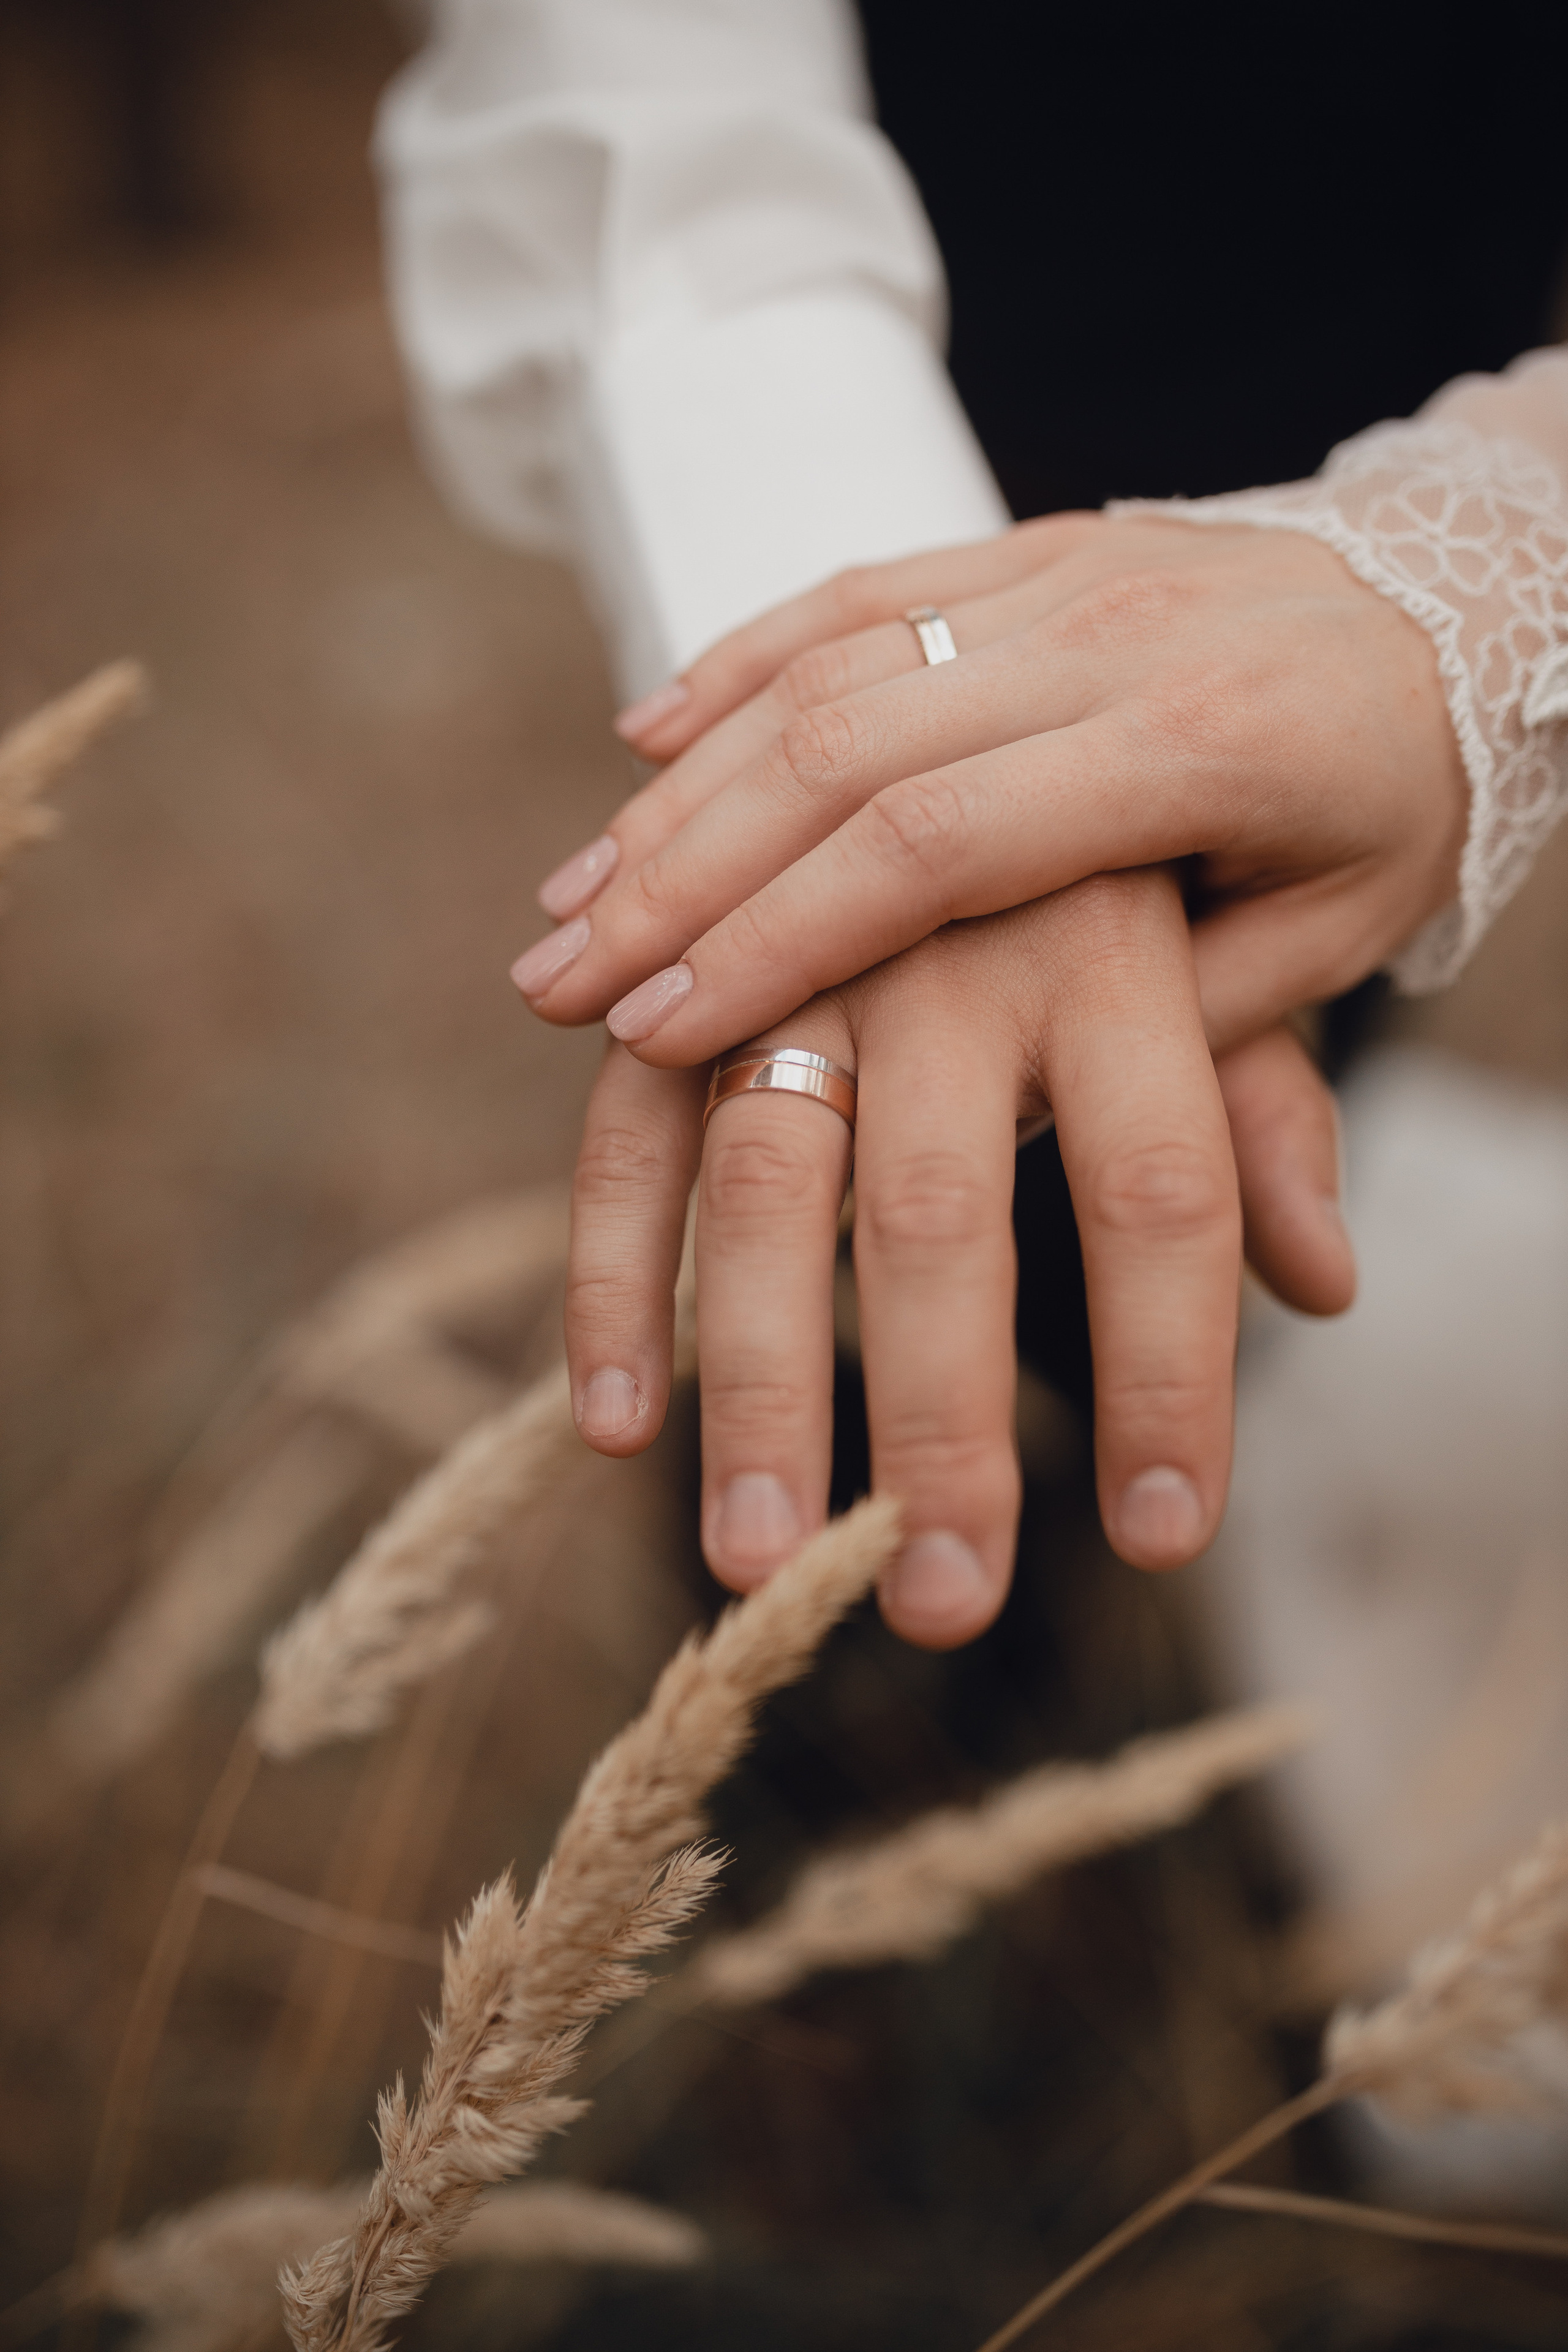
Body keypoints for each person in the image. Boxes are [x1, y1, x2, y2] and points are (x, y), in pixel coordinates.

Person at [376, 2, 1568, 1644]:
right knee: (915, 1144)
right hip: (955, 210)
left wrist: (1484, 580)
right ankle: (856, 1718)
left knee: (1198, 1055)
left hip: (1427, 257)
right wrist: (881, 724)